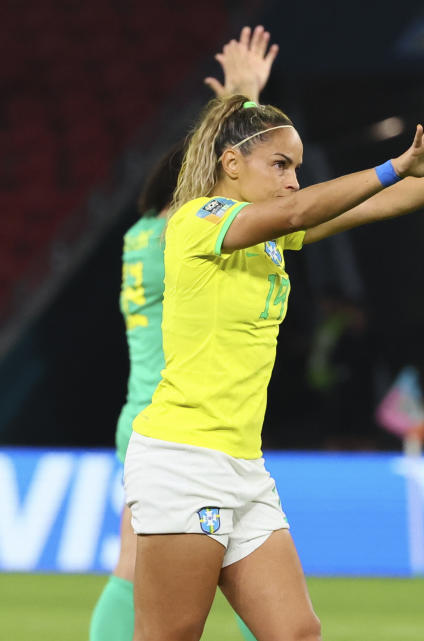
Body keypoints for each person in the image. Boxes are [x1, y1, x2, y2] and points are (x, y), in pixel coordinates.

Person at [123, 86, 424, 640]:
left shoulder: (270, 237)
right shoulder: (197, 221)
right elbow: (303, 206)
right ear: (231, 164)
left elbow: (377, 204)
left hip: (243, 465)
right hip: (184, 461)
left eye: (296, 168)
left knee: (297, 631)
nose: (292, 180)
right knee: (169, 634)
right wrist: (397, 164)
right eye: (281, 164)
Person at [91, 26, 279, 641]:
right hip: (180, 418)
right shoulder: (188, 227)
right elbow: (218, 186)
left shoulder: (138, 235)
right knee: (167, 578)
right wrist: (243, 104)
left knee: (141, 563)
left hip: (140, 405)